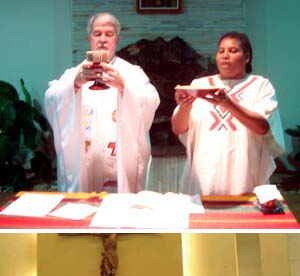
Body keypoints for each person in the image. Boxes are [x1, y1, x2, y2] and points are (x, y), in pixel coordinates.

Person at [45, 12, 160, 193]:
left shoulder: (131, 73)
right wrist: (74, 85)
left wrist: (124, 87)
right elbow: (52, 98)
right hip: (84, 167)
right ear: (89, 39)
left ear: (117, 39)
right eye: (97, 34)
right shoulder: (74, 73)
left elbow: (151, 100)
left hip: (120, 167)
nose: (103, 40)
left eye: (109, 34)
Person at [171, 31, 285, 195]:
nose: (225, 56)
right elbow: (178, 128)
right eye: (221, 51)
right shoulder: (199, 86)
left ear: (247, 57)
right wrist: (184, 107)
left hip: (243, 173)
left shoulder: (259, 85)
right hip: (204, 173)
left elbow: (262, 127)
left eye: (232, 51)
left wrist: (228, 104)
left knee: (242, 217)